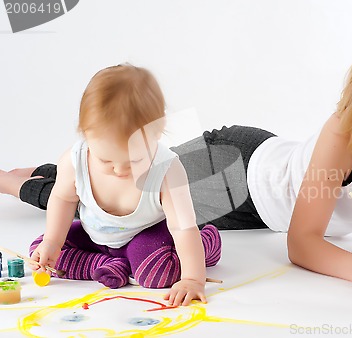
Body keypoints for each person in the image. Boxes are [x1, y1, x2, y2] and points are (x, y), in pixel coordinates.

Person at [1, 38, 352, 288]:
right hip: (239, 172)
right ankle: (11, 180)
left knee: (119, 170)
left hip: (264, 192)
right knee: (111, 194)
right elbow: (301, 243)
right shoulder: (346, 132)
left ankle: (44, 171)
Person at [16, 64, 222, 307]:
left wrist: (192, 278)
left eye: (135, 161)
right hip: (96, 239)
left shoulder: (167, 171)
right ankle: (104, 266)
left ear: (158, 133)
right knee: (42, 252)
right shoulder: (74, 161)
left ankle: (207, 240)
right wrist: (52, 241)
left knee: (155, 275)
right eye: (105, 160)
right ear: (86, 135)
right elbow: (62, 199)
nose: (119, 170)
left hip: (147, 238)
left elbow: (183, 228)